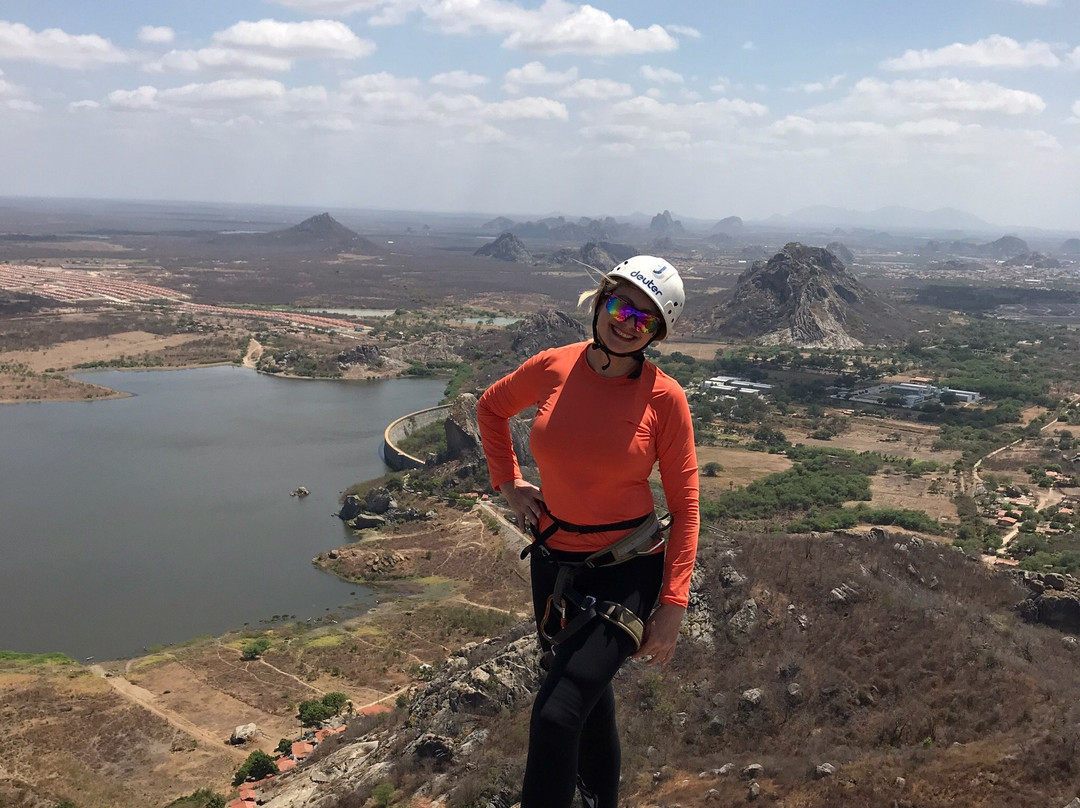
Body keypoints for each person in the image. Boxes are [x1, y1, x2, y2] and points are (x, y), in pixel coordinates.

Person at [476, 255, 700, 808]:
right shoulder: (554, 366)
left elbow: (686, 508)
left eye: (645, 319)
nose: (627, 324)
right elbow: (491, 408)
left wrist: (673, 604)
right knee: (589, 702)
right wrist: (509, 483)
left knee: (556, 714)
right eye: (622, 307)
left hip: (627, 569)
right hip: (554, 564)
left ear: (656, 333)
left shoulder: (664, 398)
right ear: (601, 301)